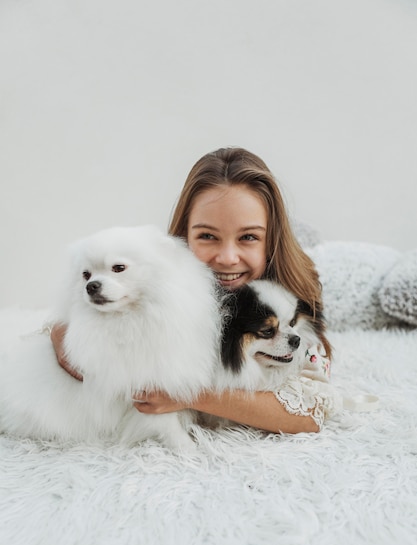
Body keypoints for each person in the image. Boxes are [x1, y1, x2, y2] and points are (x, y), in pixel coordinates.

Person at [51, 147, 338, 434]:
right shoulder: (164, 285)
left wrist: (187, 394)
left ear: (272, 240)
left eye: (248, 237)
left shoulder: (287, 304)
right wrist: (61, 331)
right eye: (208, 236)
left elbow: (310, 412)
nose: (227, 257)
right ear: (183, 236)